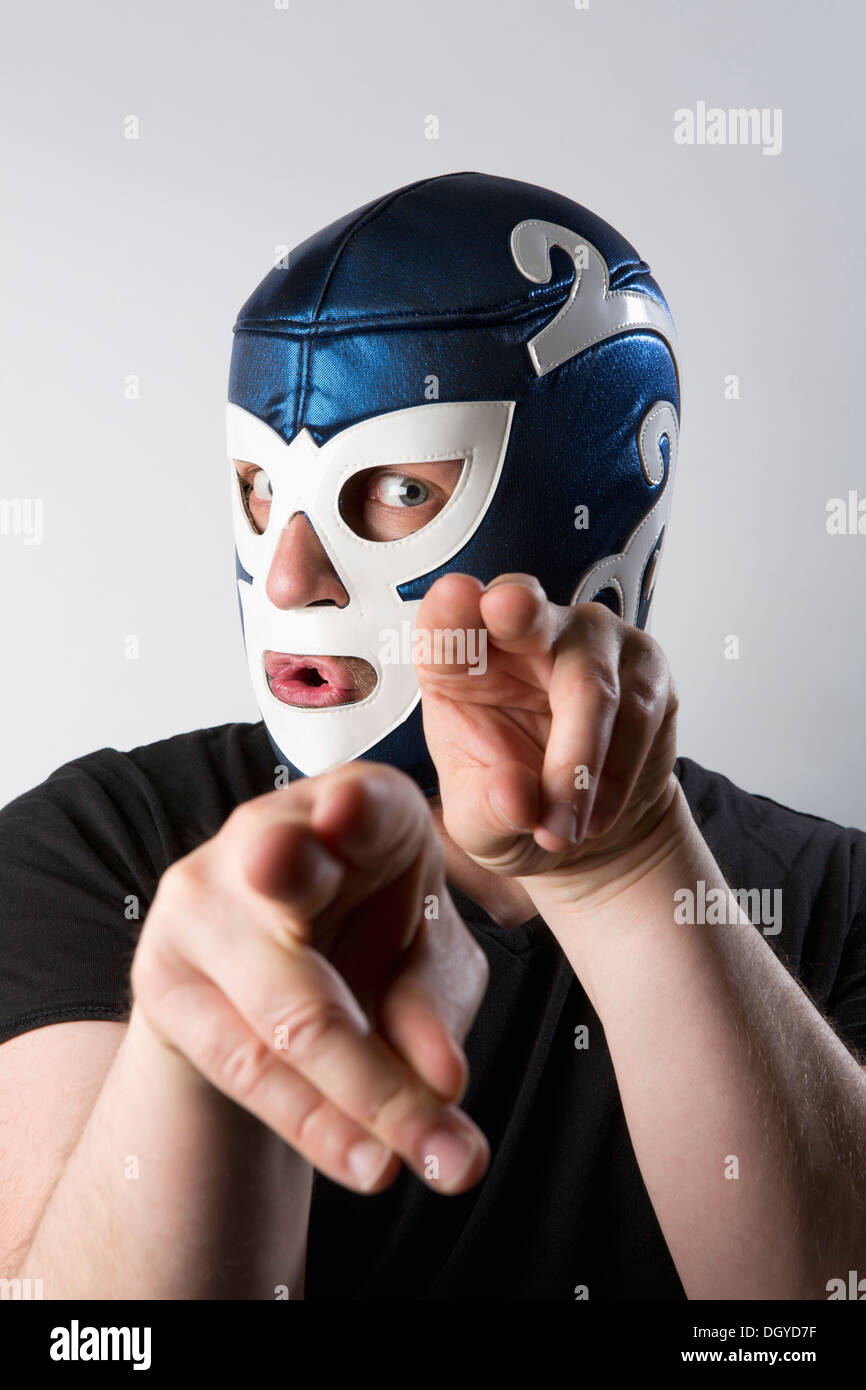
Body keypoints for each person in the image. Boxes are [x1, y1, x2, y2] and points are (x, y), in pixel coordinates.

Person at [1, 172, 864, 1302]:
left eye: (399, 489)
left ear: (593, 500)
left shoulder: (828, 900)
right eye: (259, 488)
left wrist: (623, 872)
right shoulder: (100, 846)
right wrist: (192, 1054)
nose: (292, 576)